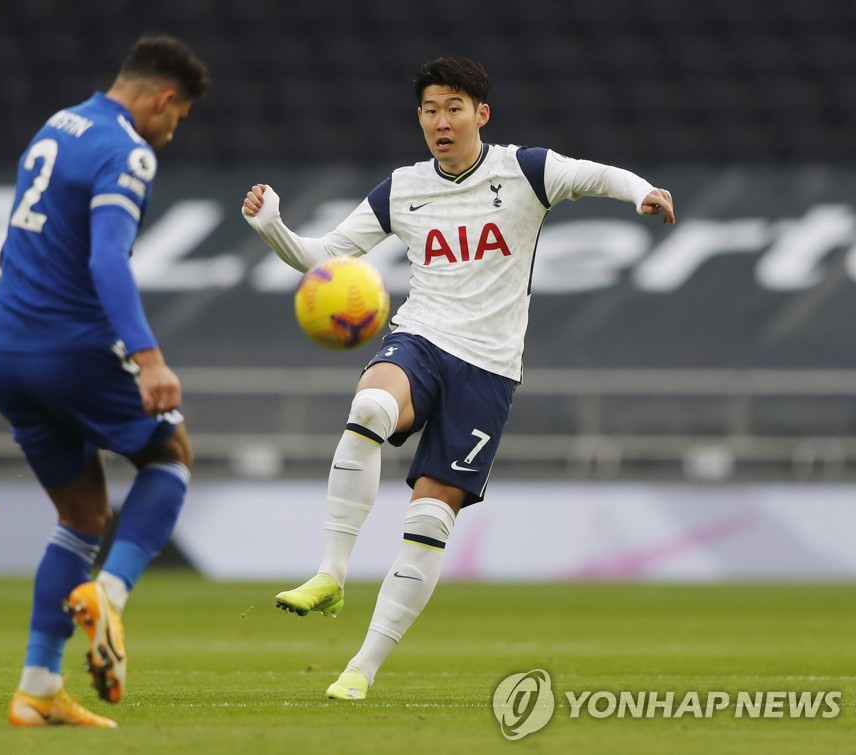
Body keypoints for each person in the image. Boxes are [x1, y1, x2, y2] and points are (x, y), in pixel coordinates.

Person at [241, 56, 674, 701]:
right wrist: (272, 225)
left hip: (490, 369)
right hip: (421, 337)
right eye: (430, 110)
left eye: (453, 108)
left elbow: (596, 175)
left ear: (481, 114)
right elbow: (325, 257)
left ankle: (360, 670)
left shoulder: (524, 172)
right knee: (370, 408)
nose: (441, 121)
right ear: (419, 118)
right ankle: (331, 573)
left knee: (429, 521)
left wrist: (641, 191)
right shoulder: (403, 188)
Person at [0, 34, 210, 728]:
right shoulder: (126, 150)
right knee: (170, 455)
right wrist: (148, 359)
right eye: (178, 119)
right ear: (163, 98)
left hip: (7, 346)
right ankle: (108, 592)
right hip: (71, 344)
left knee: (82, 516)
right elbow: (108, 260)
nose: (171, 135)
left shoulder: (60, 121)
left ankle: (38, 686)